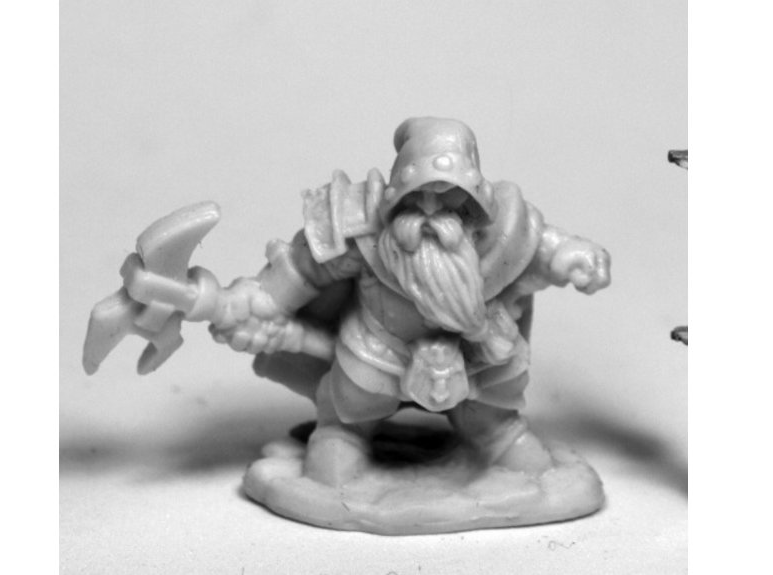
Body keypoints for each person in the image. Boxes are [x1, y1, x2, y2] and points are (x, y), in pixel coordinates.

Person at [125, 117, 611, 489]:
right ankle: (345, 436)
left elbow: (538, 246)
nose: (430, 211)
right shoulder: (360, 228)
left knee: (501, 425)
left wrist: (571, 256)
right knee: (347, 420)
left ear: (473, 201)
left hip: (478, 352)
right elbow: (304, 269)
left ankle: (497, 436)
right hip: (378, 349)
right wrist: (257, 303)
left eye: (448, 198)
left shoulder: (503, 231)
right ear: (396, 194)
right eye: (418, 197)